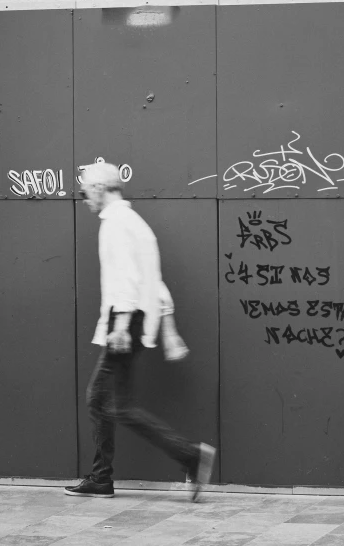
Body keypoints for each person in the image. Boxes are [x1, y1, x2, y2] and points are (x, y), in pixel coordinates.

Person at [64, 162, 215, 501]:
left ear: (101, 188)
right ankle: (103, 477)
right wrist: (169, 329)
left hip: (125, 321)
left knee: (115, 404)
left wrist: (119, 327)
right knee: (106, 401)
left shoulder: (116, 224)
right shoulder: (135, 224)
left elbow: (127, 281)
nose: (84, 196)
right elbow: (155, 284)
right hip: (134, 320)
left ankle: (189, 455)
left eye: (86, 190)